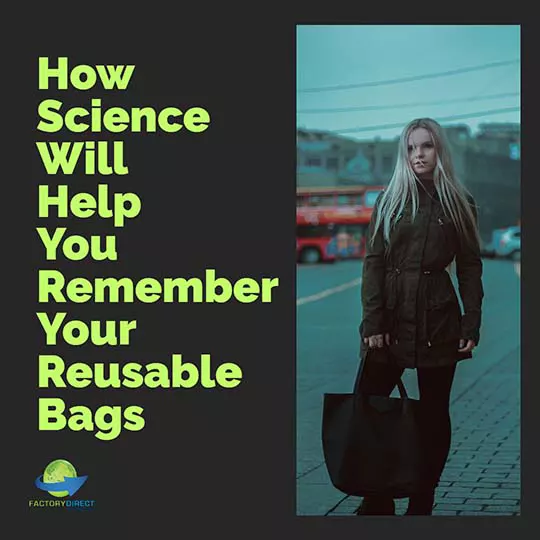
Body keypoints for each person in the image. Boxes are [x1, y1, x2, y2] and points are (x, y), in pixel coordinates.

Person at [356, 118, 484, 516]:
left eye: (425, 146)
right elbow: (374, 263)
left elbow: (469, 267)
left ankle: (421, 498)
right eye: (411, 148)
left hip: (438, 320)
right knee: (368, 405)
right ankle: (377, 495)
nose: (418, 155)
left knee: (432, 414)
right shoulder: (389, 199)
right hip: (391, 319)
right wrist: (373, 322)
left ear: (439, 149)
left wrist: (471, 322)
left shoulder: (460, 201)